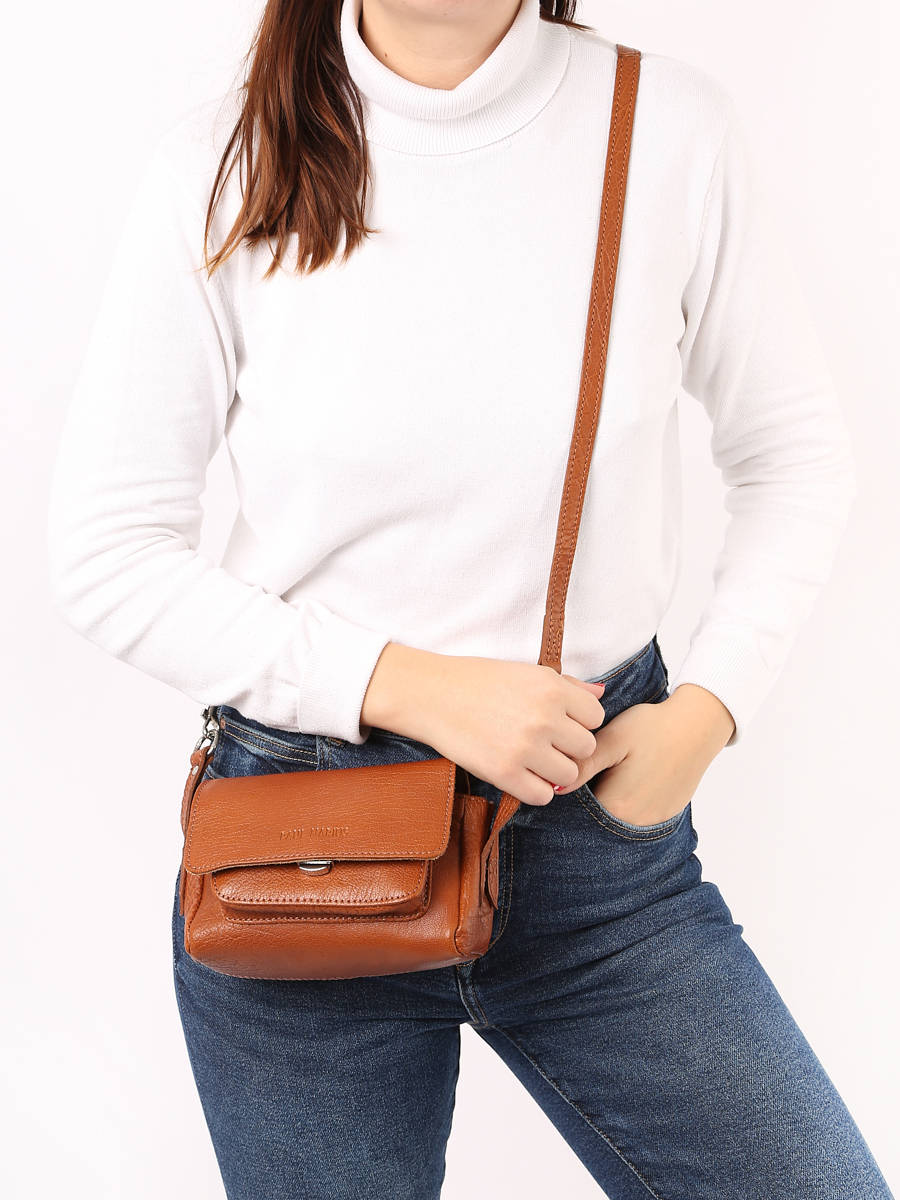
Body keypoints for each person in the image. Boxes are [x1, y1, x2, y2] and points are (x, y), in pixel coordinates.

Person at [46, 0, 893, 1197]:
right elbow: (106, 550)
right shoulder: (227, 163)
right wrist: (415, 688)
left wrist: (706, 713)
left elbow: (795, 454)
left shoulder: (665, 128)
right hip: (303, 856)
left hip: (596, 845)